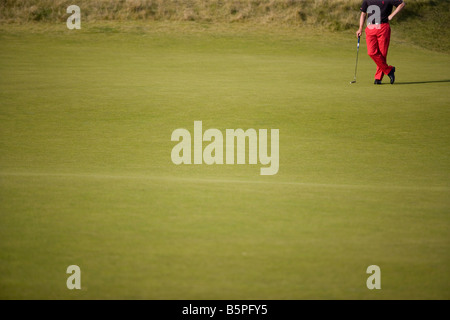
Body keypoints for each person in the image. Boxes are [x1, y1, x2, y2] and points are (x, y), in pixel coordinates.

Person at [356, 0, 406, 84]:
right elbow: (363, 13)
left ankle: (378, 78)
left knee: (382, 54)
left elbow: (402, 4)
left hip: (383, 27)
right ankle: (389, 70)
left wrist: (392, 15)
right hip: (370, 28)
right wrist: (360, 28)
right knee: (371, 52)